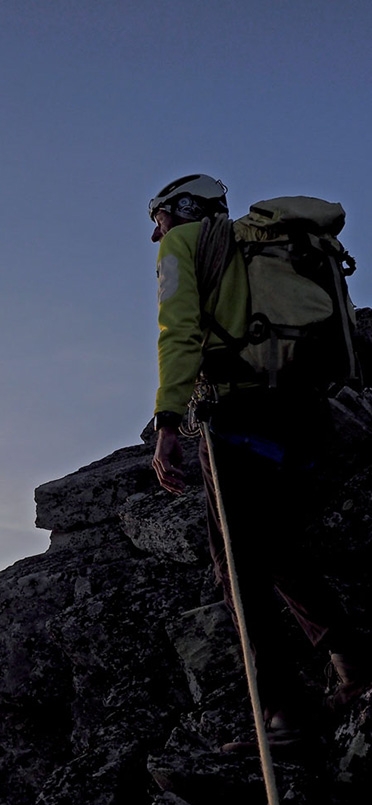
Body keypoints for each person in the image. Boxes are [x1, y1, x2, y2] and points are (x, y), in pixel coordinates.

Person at [148, 174, 369, 751]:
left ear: (184, 209)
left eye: (160, 216)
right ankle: (353, 671)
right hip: (306, 410)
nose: (156, 231)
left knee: (238, 569)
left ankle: (284, 717)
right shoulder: (268, 246)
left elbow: (179, 332)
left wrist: (169, 422)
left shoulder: (187, 245)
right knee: (281, 548)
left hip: (240, 417)